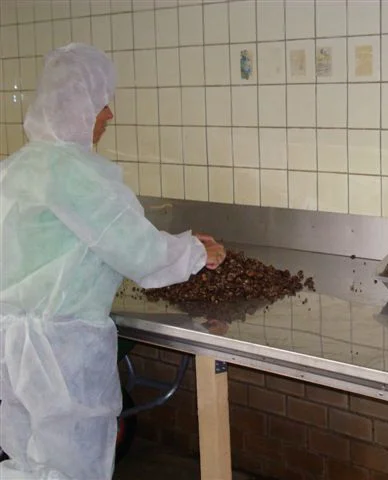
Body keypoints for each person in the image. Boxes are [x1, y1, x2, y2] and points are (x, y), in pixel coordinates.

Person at [0, 43, 225, 479]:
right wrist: (198, 252)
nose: (109, 116)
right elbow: (140, 253)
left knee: (26, 460)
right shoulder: (79, 174)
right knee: (71, 467)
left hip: (9, 345)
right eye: (103, 104)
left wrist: (180, 240)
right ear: (79, 107)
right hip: (58, 353)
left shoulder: (14, 169)